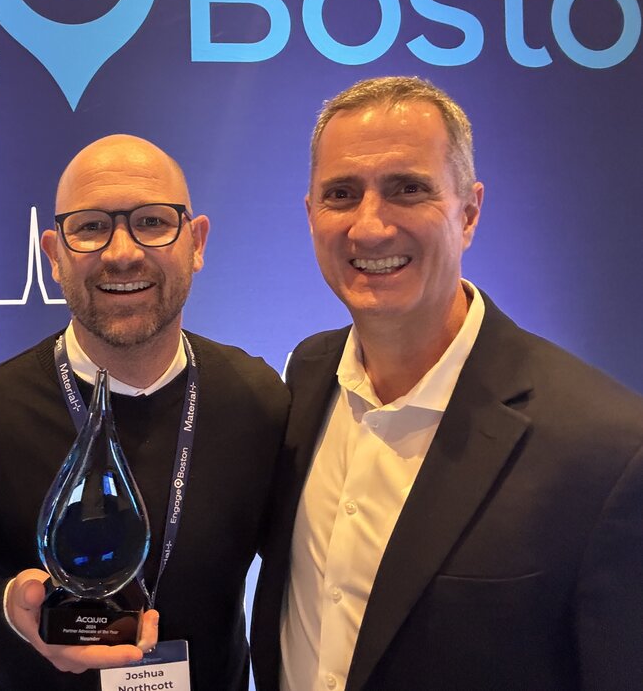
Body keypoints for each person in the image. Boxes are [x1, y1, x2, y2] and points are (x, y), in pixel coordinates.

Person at [252, 76, 643, 691]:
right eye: (342, 194)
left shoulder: (608, 451)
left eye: (408, 189)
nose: (370, 227)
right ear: (310, 215)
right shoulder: (304, 378)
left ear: (469, 211)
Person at [0, 134, 290, 690]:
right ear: (54, 255)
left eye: (153, 222)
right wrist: (10, 614)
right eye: (90, 227)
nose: (122, 253)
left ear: (196, 243)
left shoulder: (258, 400)